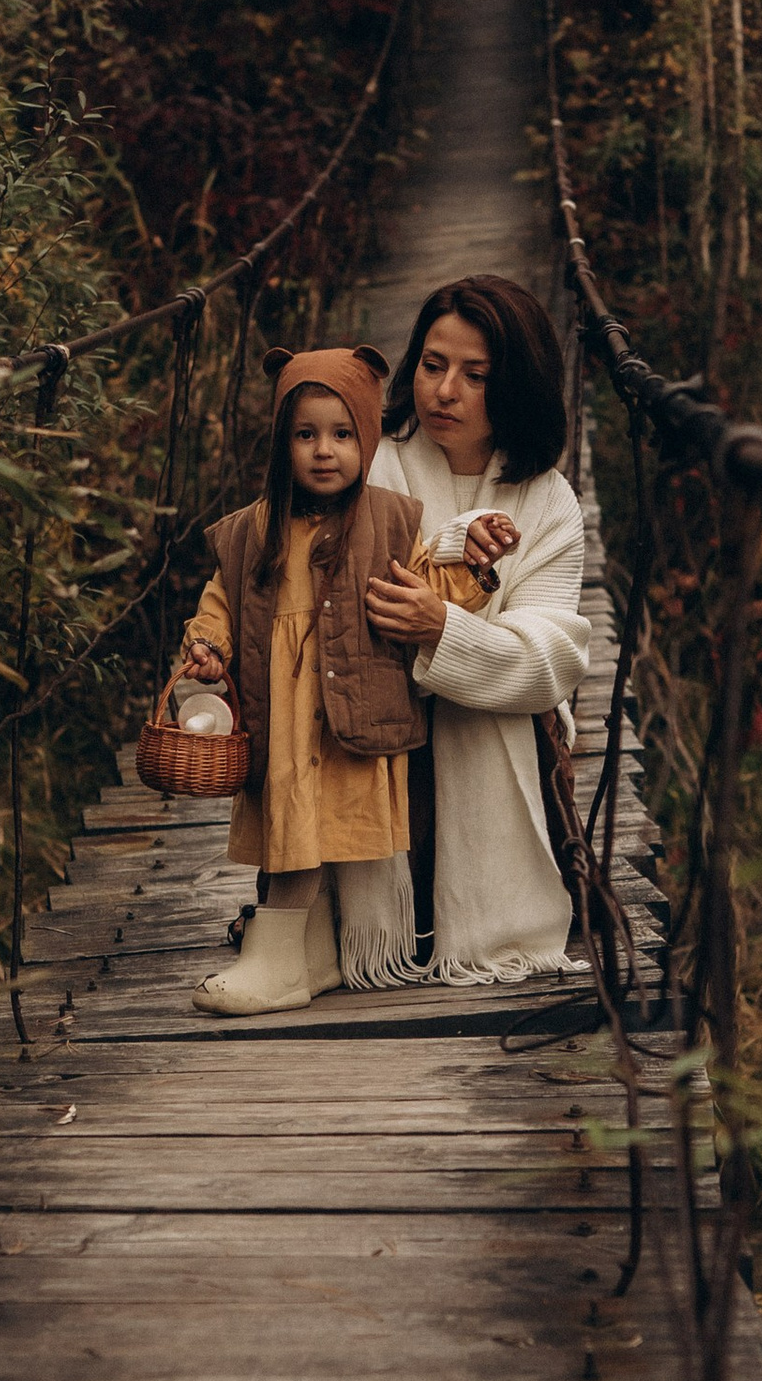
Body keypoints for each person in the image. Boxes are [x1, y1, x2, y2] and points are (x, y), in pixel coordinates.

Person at [171, 345, 510, 1018]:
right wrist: (207, 647)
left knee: (309, 836)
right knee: (297, 830)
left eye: (342, 434)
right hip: (285, 716)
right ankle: (312, 956)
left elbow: (427, 585)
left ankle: (275, 960)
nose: (324, 451)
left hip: (346, 710)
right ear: (281, 444)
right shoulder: (253, 530)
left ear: (367, 440)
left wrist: (471, 572)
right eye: (305, 435)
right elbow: (220, 600)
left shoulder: (389, 519)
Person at [364, 275, 589, 983]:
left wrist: (441, 632)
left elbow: (550, 661)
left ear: (516, 386)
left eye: (475, 375)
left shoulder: (550, 503)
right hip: (372, 727)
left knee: (497, 710)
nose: (444, 392)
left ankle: (483, 919)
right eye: (433, 366)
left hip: (494, 733)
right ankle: (372, 923)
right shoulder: (368, 460)